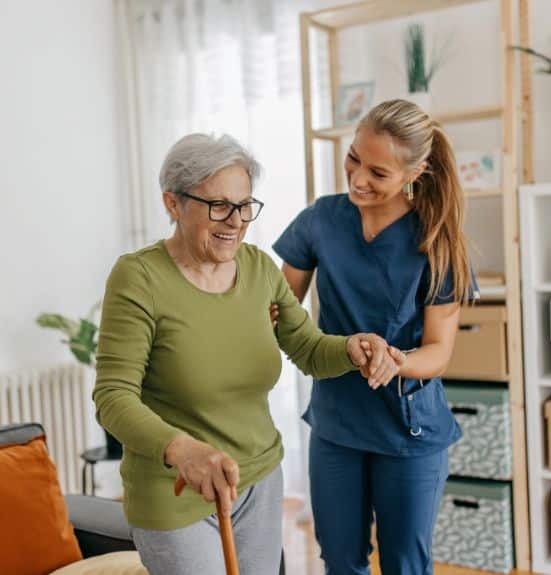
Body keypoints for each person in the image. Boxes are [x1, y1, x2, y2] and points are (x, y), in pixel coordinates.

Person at [93, 133, 400, 575]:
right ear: (173, 203)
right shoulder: (139, 278)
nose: (235, 221)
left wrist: (352, 348)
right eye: (218, 205)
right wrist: (181, 450)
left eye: (244, 206)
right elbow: (113, 396)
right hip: (175, 488)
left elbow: (309, 349)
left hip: (258, 478)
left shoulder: (258, 269)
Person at [273, 99, 478, 575]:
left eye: (378, 172)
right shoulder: (320, 221)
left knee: (405, 565)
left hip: (408, 429)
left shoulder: (437, 241)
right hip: (337, 424)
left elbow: (438, 352)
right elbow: (279, 311)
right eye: (353, 159)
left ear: (415, 172)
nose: (358, 178)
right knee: (341, 562)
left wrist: (396, 360)